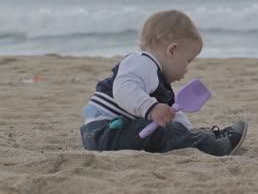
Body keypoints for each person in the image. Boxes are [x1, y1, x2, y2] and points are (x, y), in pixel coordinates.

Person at [80, 10, 247, 156]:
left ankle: (202, 136)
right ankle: (214, 146)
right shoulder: (142, 63)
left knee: (173, 130)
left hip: (117, 131)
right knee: (166, 133)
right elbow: (124, 89)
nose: (187, 70)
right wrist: (150, 108)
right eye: (188, 61)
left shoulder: (156, 78)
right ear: (172, 50)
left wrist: (186, 129)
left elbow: (171, 115)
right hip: (106, 132)